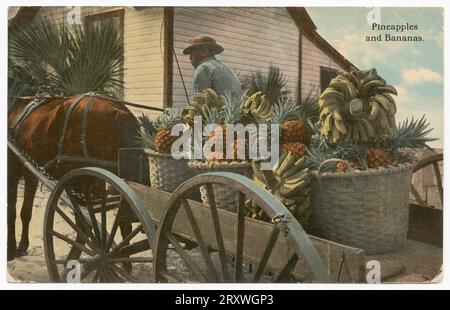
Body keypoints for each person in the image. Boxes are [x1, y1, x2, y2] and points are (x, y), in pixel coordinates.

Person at [183, 36, 242, 102]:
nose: (190, 57)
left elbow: (198, 104)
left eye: (192, 53)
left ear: (204, 51)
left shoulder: (203, 68)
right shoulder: (225, 68)